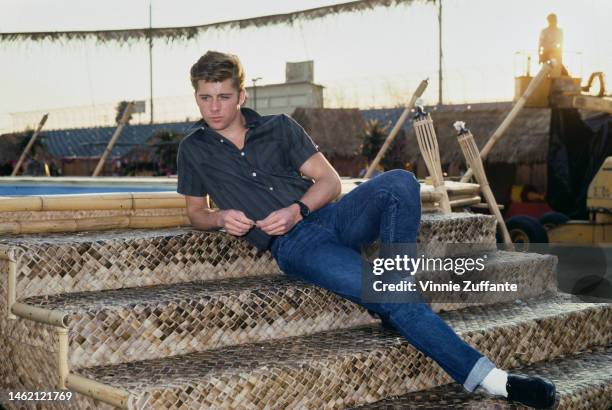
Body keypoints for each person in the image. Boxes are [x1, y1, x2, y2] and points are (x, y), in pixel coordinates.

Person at [177, 51, 556, 409]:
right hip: (294, 245)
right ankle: (494, 380)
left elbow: (330, 181)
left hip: (329, 217)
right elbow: (196, 212)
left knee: (400, 183)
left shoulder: (280, 128)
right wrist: (221, 217)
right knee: (395, 296)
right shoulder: (193, 149)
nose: (213, 108)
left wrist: (298, 208)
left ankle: (394, 291)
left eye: (223, 97)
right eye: (204, 98)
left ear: (241, 94)